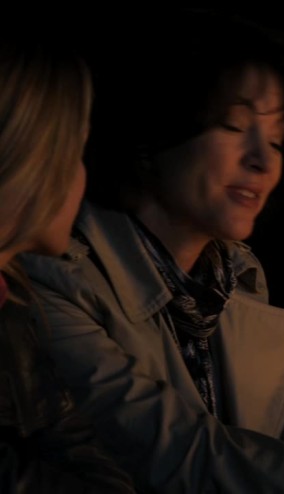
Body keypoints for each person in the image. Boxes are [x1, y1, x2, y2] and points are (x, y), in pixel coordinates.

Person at [17, 11, 284, 494]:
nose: (263, 161)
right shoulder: (54, 280)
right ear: (152, 133)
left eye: (277, 141)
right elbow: (177, 449)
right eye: (233, 126)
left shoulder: (230, 286)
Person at [0, 37, 136, 492]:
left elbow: (72, 442)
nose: (84, 175)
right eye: (77, 150)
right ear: (33, 159)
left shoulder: (16, 306)